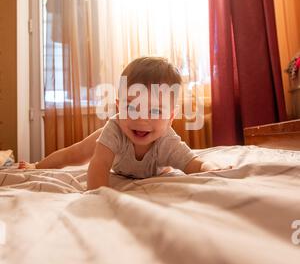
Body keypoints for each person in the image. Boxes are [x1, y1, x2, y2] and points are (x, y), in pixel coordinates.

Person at [19, 57, 231, 185]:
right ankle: (36, 165)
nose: (141, 119)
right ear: (118, 106)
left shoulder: (167, 141)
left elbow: (193, 163)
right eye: (131, 106)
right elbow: (99, 166)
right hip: (115, 147)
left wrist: (208, 167)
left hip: (156, 167)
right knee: (76, 152)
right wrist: (100, 195)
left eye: (155, 111)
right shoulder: (115, 129)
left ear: (171, 117)